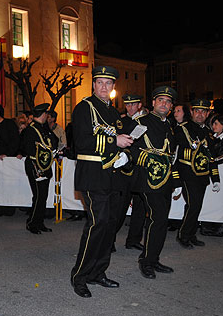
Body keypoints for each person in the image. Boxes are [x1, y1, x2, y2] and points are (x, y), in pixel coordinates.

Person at [69, 66, 133, 298]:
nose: (104, 87)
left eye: (109, 83)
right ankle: (80, 276)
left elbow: (120, 142)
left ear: (114, 87)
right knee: (97, 224)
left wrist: (125, 156)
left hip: (112, 177)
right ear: (93, 85)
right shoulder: (84, 108)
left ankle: (98, 272)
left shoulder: (114, 114)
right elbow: (83, 141)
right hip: (92, 175)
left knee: (109, 226)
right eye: (100, 82)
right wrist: (115, 142)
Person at [130, 86, 180, 280]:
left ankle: (154, 257)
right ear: (153, 103)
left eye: (168, 102)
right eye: (161, 100)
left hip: (165, 180)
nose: (164, 104)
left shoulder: (169, 125)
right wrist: (150, 163)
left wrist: (175, 182)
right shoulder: (141, 122)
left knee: (162, 221)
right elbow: (131, 147)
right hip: (148, 180)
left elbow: (171, 155)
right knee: (156, 219)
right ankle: (146, 261)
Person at [175, 98, 221, 249]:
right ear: (192, 112)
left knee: (197, 206)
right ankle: (183, 235)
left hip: (202, 176)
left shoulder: (208, 133)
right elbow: (176, 155)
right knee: (193, 204)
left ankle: (191, 234)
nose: (200, 114)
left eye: (203, 111)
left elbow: (211, 158)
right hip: (187, 174)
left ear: (208, 114)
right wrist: (176, 179)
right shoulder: (182, 129)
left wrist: (216, 179)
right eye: (197, 111)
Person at [113, 94, 146, 252]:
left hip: (140, 169)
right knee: (120, 208)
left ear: (139, 105)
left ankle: (133, 239)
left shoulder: (146, 121)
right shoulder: (122, 122)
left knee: (140, 207)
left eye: (133, 105)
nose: (130, 108)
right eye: (128, 105)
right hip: (125, 170)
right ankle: (109, 239)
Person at [19, 103, 58, 234]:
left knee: (43, 196)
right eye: (46, 114)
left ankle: (39, 222)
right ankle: (32, 223)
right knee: (38, 195)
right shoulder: (31, 130)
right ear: (43, 114)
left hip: (44, 165)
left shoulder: (43, 128)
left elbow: (53, 141)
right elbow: (29, 148)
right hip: (35, 166)